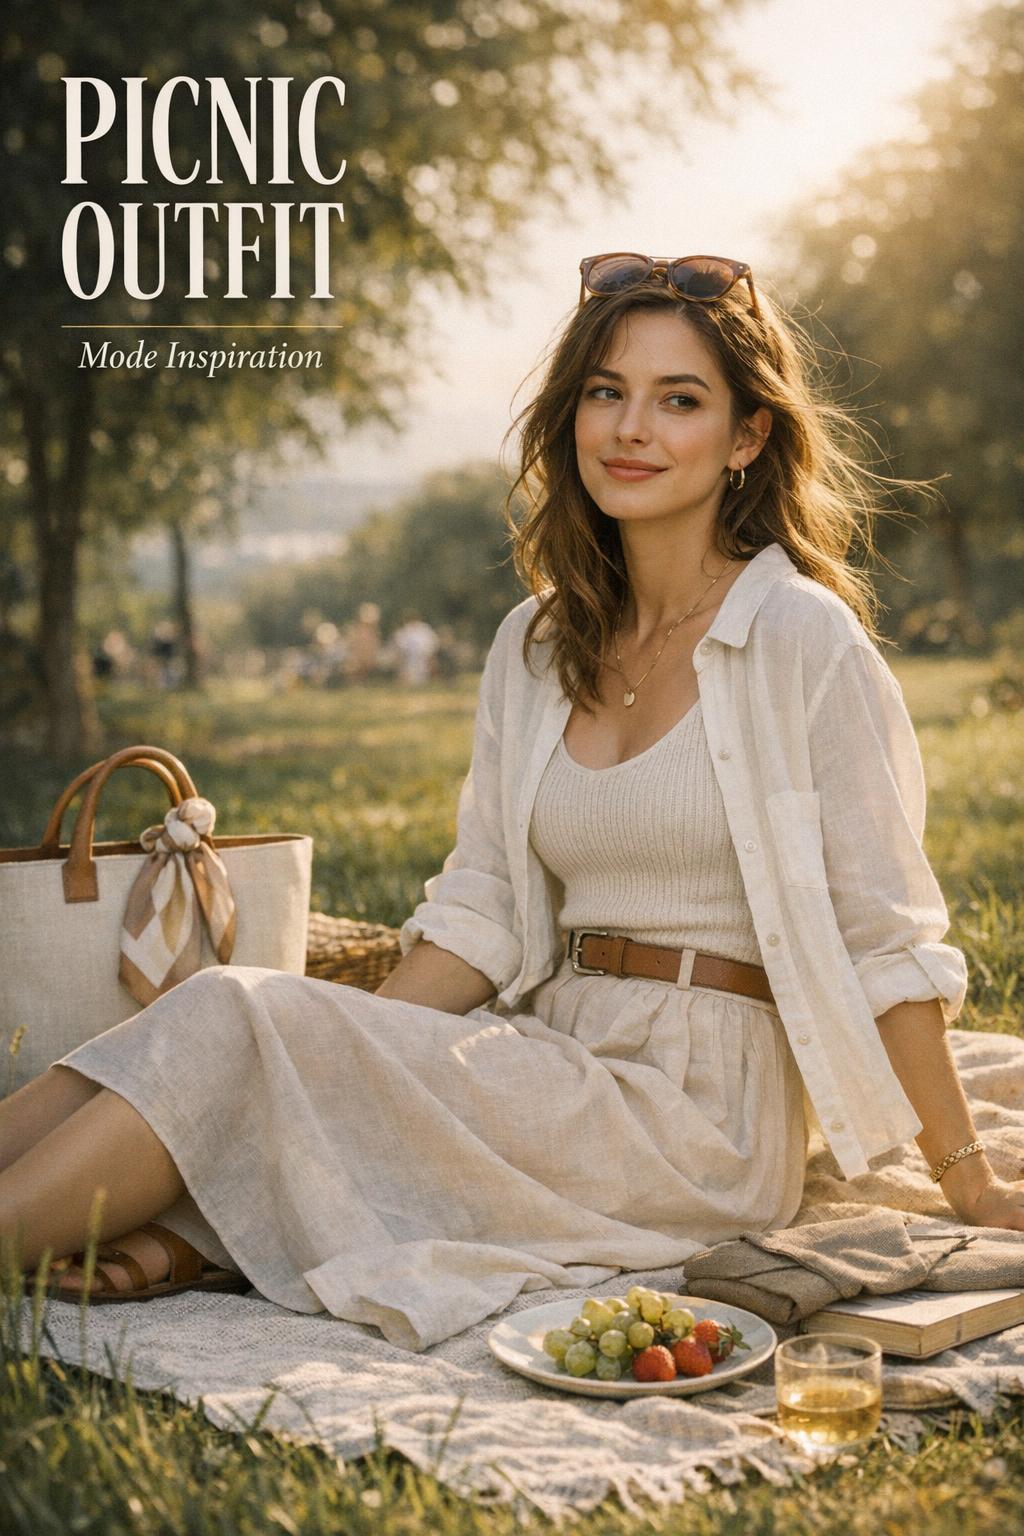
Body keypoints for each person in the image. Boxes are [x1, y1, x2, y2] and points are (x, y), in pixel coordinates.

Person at [3, 253, 1022, 1351]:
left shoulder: (800, 640)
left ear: (744, 438)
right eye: (604, 391)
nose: (631, 427)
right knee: (234, 1018)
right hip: (543, 1049)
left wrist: (967, 1183)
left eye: (678, 400)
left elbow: (885, 938)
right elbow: (482, 908)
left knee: (242, 1016)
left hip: (703, 1118)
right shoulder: (535, 646)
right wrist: (347, 1053)